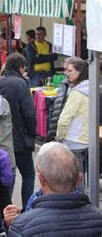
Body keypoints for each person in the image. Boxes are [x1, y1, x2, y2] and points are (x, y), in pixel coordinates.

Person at [4, 142, 102, 236]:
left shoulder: (22, 227)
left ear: (41, 179)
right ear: (79, 179)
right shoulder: (98, 218)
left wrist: (11, 227)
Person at [0, 52, 36, 211]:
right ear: (20, 67)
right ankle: (27, 209)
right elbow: (29, 113)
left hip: (1, 138)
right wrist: (32, 132)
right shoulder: (21, 83)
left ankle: (6, 209)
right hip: (20, 137)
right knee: (29, 174)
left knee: (7, 175)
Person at [56, 57, 89, 192]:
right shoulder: (91, 88)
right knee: (83, 176)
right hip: (87, 139)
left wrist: (59, 137)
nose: (66, 73)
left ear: (79, 72)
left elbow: (64, 119)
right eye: (65, 70)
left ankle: (79, 205)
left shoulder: (77, 93)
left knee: (75, 179)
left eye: (70, 70)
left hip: (73, 139)